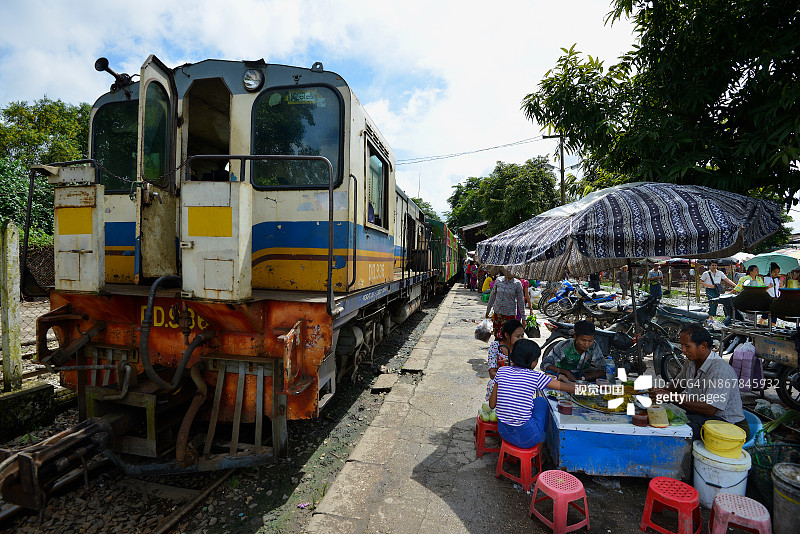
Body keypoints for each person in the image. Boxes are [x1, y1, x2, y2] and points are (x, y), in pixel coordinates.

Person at [650, 324, 750, 441]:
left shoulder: (720, 370)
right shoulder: (691, 362)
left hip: (730, 426)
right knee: (663, 413)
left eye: (687, 346)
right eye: (682, 345)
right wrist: (658, 391)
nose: (683, 350)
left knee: (679, 427)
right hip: (705, 416)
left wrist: (670, 396)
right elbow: (678, 385)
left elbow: (710, 408)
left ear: (703, 346)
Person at [489, 339, 576, 449]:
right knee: (542, 402)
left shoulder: (501, 371)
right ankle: (540, 449)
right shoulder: (535, 376)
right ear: (532, 361)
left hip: (504, 433)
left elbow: (492, 405)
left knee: (536, 402)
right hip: (528, 439)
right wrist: (591, 389)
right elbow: (568, 388)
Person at [541, 320, 605, 382]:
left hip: (581, 376)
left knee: (604, 377)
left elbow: (603, 368)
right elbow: (545, 365)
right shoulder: (564, 346)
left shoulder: (593, 346)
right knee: (549, 374)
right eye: (583, 340)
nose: (586, 344)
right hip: (562, 375)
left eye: (590, 341)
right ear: (575, 337)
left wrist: (583, 378)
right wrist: (566, 372)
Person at [485, 319, 525, 400]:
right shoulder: (495, 346)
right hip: (500, 383)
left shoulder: (523, 348)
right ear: (507, 335)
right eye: (517, 336)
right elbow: (492, 373)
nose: (521, 339)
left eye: (522, 336)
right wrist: (510, 379)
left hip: (517, 384)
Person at [485, 273, 526, 339]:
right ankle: (498, 345)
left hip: (509, 314)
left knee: (508, 336)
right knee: (497, 335)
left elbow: (521, 301)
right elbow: (492, 296)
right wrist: (488, 310)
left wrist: (524, 318)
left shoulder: (517, 284)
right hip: (498, 313)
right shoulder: (498, 280)